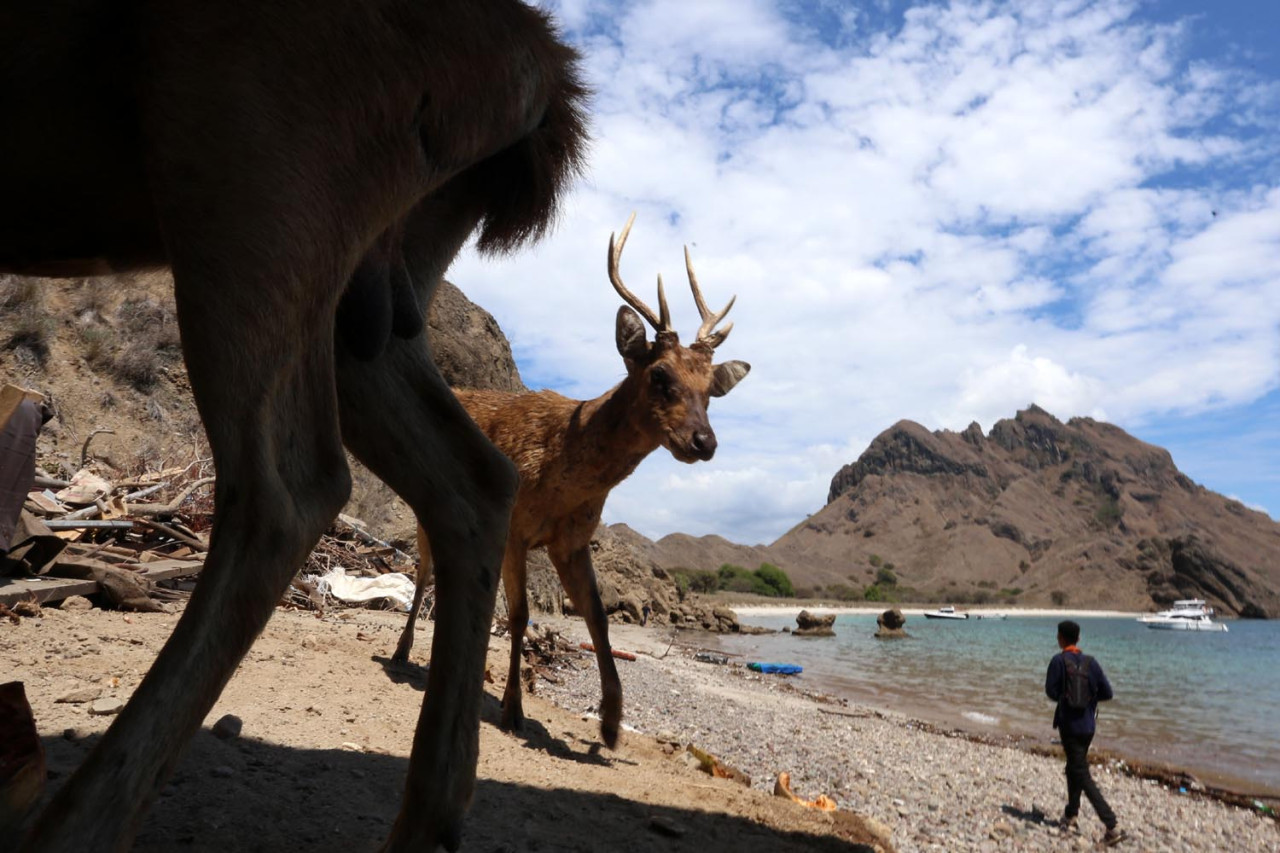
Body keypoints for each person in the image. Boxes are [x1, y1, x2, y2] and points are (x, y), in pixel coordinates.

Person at [1045, 619, 1127, 846]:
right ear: (1079, 639)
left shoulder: (1058, 661)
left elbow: (1050, 692)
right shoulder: (1092, 663)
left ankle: (1112, 825)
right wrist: (1088, 700)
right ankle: (1071, 814)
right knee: (1074, 767)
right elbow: (1108, 693)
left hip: (1068, 726)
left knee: (1080, 772)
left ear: (1060, 638)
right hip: (1088, 726)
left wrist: (1068, 698)